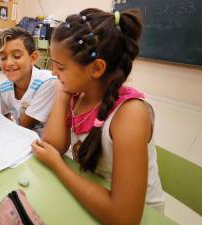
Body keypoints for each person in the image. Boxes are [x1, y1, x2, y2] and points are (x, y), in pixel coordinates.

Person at [31, 8, 165, 225]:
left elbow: (125, 218)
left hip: (141, 217)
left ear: (96, 69)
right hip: (90, 194)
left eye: (61, 67)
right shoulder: (78, 93)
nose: (54, 73)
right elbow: (53, 146)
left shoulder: (130, 115)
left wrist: (59, 166)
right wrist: (63, 95)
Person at [0, 27, 57, 137]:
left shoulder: (48, 82)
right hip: (21, 141)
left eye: (16, 56)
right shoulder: (4, 88)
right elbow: (5, 119)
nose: (8, 63)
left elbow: (25, 124)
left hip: (47, 146)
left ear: (33, 58)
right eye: (3, 57)